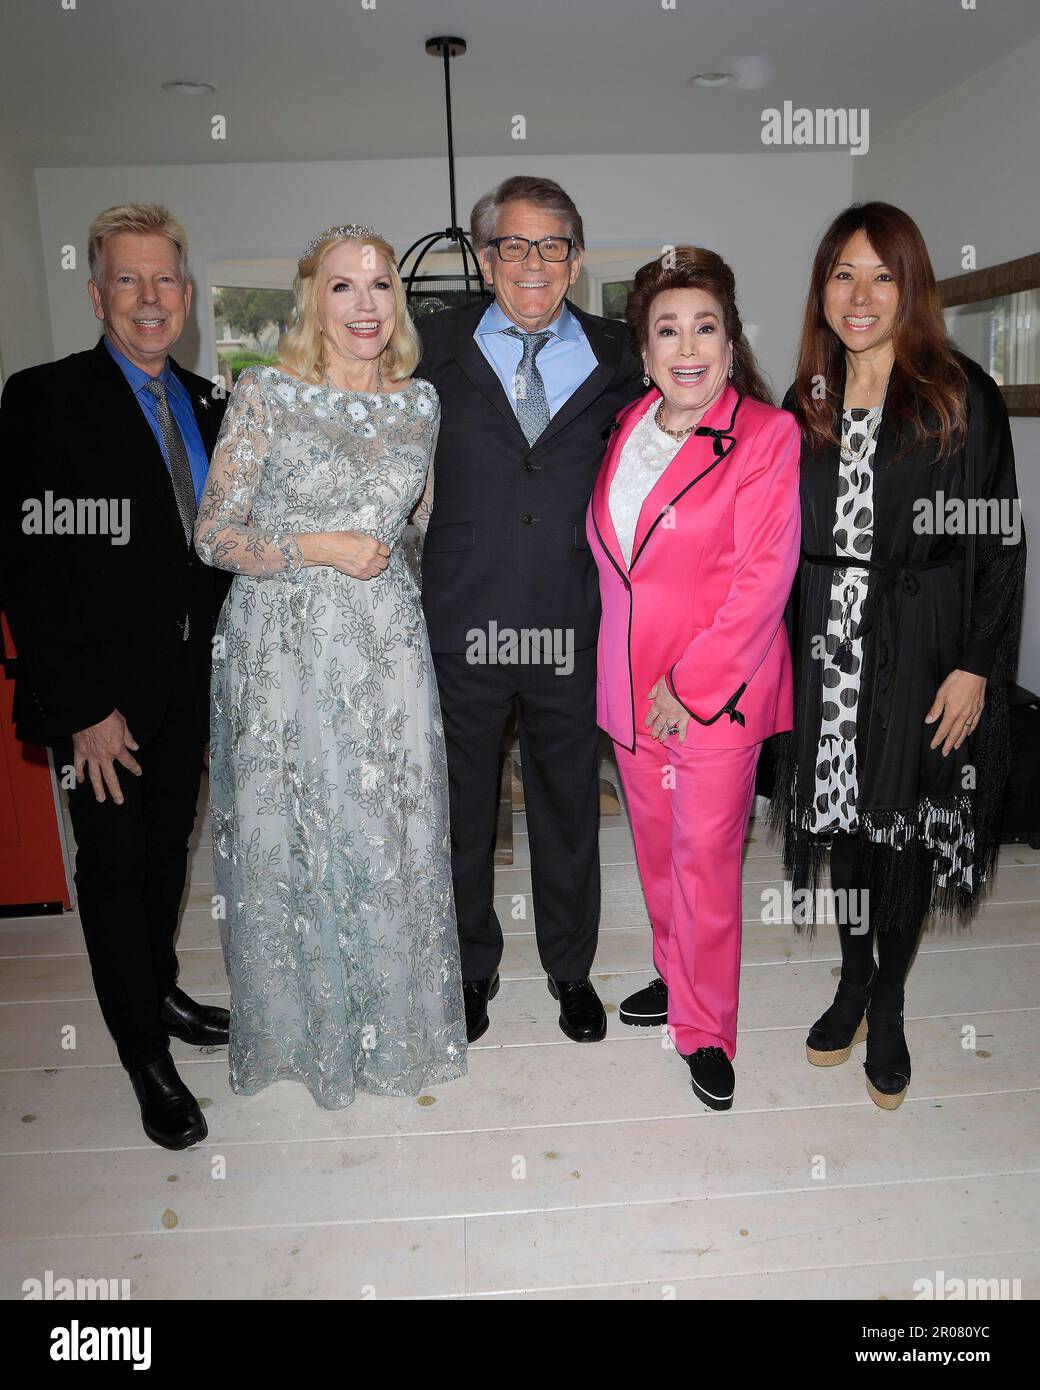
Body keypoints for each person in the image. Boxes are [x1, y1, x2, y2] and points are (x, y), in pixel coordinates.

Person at [195, 224, 467, 1109]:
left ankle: (392, 1026)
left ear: (399, 302)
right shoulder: (265, 393)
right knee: (297, 835)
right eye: (343, 287)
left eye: (380, 285)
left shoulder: (421, 405)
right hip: (280, 654)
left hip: (383, 650)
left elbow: (420, 532)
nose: (364, 305)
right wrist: (320, 545)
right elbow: (214, 535)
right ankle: (304, 1035)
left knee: (387, 835)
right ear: (313, 299)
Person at [769, 202, 1027, 1109]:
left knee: (905, 823)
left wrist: (977, 668)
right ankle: (849, 977)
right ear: (822, 290)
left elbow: (998, 544)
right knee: (842, 821)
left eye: (882, 274)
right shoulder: (805, 401)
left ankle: (890, 998)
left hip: (922, 647)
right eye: (843, 273)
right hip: (824, 641)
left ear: (911, 286)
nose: (861, 293)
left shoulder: (960, 393)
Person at [0, 203, 231, 1149]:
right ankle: (143, 1053)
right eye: (127, 280)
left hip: (192, 685)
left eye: (163, 280)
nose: (148, 298)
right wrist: (85, 708)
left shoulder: (210, 401)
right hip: (104, 701)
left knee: (169, 847)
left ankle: (160, 988)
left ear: (185, 295)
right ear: (96, 294)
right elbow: (27, 565)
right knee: (112, 863)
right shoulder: (45, 397)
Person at [414, 175, 643, 1043]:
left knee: (565, 810)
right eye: (514, 244)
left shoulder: (626, 351)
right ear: (485, 257)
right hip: (461, 619)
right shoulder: (428, 344)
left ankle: (571, 972)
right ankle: (469, 972)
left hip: (573, 620)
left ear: (577, 258)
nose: (533, 263)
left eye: (552, 245)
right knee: (462, 810)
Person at [588, 247, 801, 1109]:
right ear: (644, 352)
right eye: (666, 331)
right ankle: (677, 980)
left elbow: (763, 577)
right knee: (657, 857)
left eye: (703, 328)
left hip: (714, 693)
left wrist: (689, 685)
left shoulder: (764, 435)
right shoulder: (628, 425)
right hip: (632, 696)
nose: (686, 348)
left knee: (706, 863)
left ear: (729, 338)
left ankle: (707, 1028)